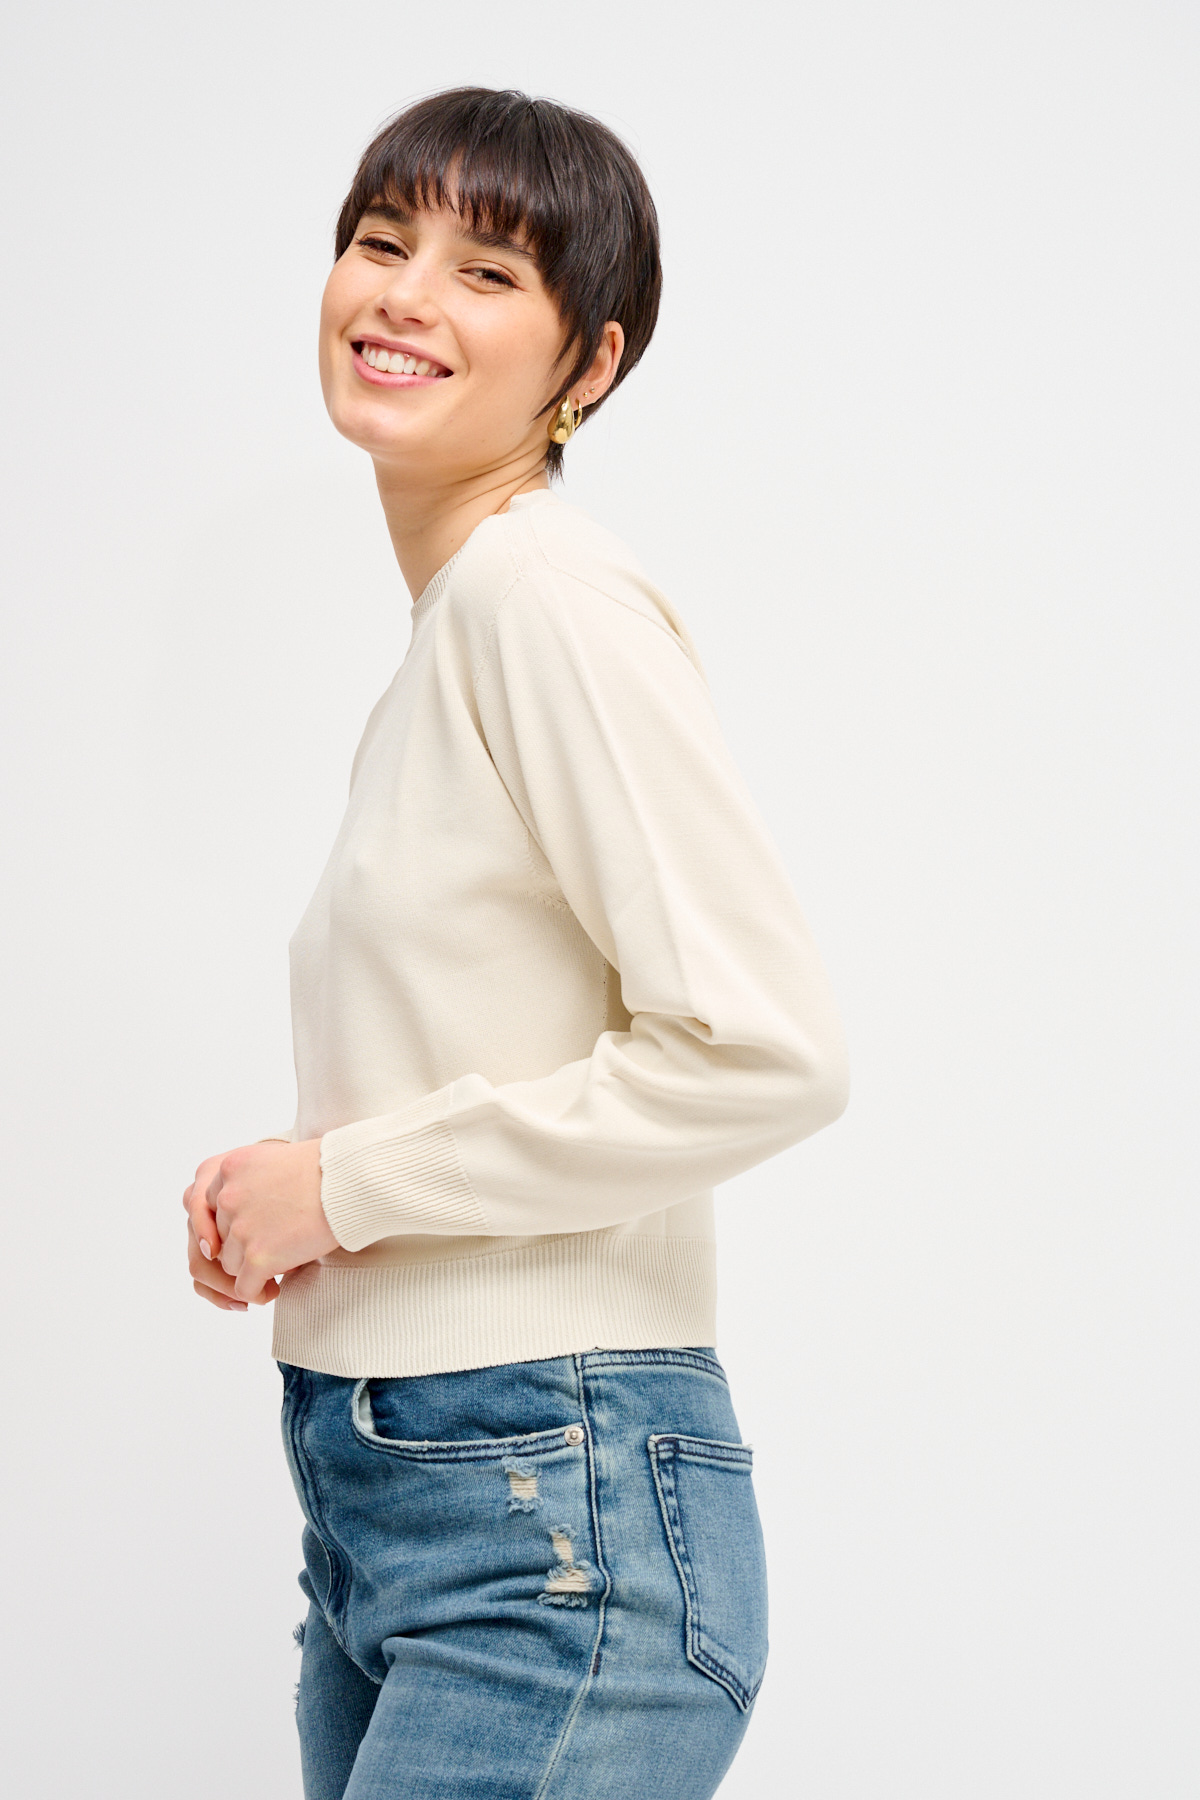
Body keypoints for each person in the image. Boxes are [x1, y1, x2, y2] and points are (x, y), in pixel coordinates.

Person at [183, 85, 849, 1800]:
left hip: (550, 1512)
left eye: (487, 272)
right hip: (405, 1498)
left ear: (589, 365)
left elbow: (765, 1052)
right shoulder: (456, 630)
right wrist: (301, 1187)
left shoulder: (537, 596)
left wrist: (345, 1188)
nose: (405, 295)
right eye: (381, 242)